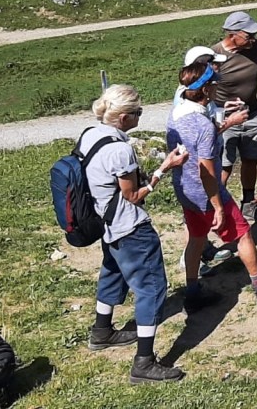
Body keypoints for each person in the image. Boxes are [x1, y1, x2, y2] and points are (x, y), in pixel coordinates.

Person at [81, 84, 188, 383]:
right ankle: (144, 362)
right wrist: (164, 169)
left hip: (106, 223)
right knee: (151, 289)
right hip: (130, 228)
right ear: (124, 117)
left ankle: (102, 331)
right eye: (138, 112)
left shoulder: (90, 135)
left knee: (112, 272)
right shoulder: (120, 150)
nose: (140, 116)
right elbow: (133, 196)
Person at [167, 62, 257, 313]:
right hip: (206, 193)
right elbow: (207, 171)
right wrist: (218, 206)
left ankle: (192, 293)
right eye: (214, 84)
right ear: (206, 89)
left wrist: (225, 117)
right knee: (243, 235)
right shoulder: (202, 125)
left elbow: (197, 141)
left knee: (196, 239)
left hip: (185, 190)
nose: (217, 88)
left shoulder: (176, 114)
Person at [173, 46, 245, 277]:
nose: (217, 68)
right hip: (199, 178)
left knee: (197, 226)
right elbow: (200, 135)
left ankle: (199, 263)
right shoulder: (189, 101)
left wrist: (223, 110)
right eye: (213, 64)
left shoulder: (194, 93)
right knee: (240, 233)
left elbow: (208, 120)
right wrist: (231, 122)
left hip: (193, 179)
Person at [212, 11, 257, 223]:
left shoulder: (255, 47)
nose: (253, 39)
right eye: (248, 35)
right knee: (224, 164)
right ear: (232, 34)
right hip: (225, 119)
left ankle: (249, 204)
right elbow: (205, 90)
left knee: (251, 159)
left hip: (251, 114)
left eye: (254, 35)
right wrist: (221, 111)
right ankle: (217, 208)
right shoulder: (215, 56)